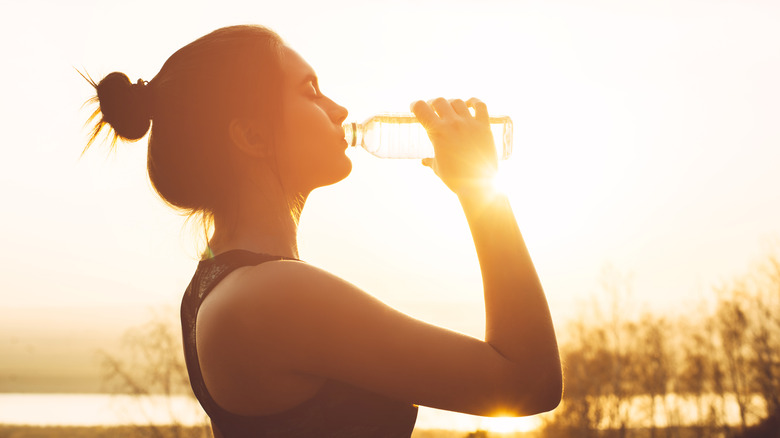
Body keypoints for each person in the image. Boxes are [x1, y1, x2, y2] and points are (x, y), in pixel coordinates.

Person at [83, 24, 562, 438]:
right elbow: (527, 383)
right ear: (251, 136)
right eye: (310, 91)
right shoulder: (272, 295)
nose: (337, 109)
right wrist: (481, 194)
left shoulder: (218, 283)